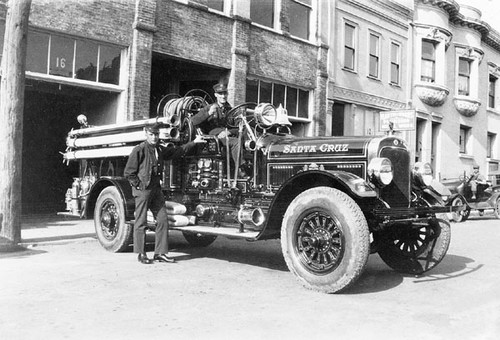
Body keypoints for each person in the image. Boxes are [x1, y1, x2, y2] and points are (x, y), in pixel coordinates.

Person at [124, 123, 205, 264]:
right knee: (141, 222)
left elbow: (178, 151)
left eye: (156, 134)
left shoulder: (160, 149)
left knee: (162, 220)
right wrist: (139, 186)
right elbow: (129, 172)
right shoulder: (139, 150)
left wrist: (194, 142)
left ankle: (160, 253)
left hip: (156, 190)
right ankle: (141, 254)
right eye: (151, 134)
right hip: (143, 190)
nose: (154, 137)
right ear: (146, 134)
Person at [191, 82, 241, 171]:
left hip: (228, 137)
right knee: (236, 142)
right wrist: (208, 113)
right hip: (214, 139)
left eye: (225, 93)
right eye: (220, 94)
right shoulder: (208, 108)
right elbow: (193, 121)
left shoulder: (231, 110)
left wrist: (228, 132)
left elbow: (239, 127)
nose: (223, 96)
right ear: (215, 95)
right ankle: (241, 169)